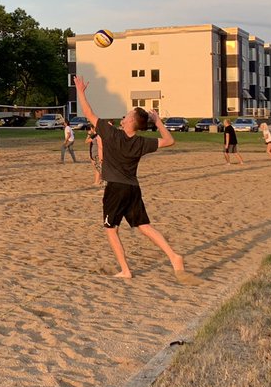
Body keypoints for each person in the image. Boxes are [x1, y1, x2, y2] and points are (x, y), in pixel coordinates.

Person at [75, 76, 192, 282]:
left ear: (130, 121)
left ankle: (126, 270)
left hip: (116, 189)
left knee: (111, 229)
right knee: (144, 226)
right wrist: (158, 122)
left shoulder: (112, 134)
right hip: (132, 189)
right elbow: (169, 140)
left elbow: (88, 113)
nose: (125, 115)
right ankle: (174, 256)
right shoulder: (140, 142)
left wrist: (81, 92)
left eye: (128, 114)